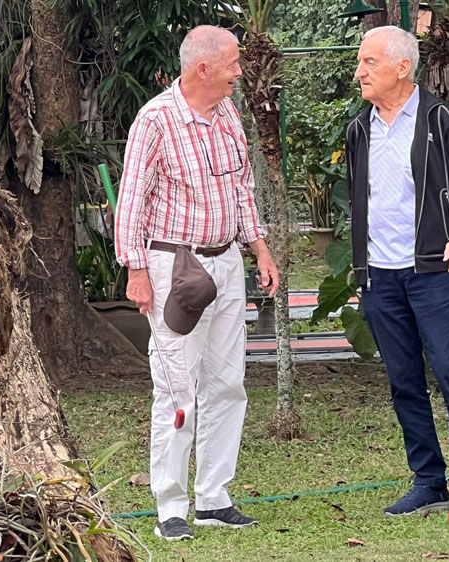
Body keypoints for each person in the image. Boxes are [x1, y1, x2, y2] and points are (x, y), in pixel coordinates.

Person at [114, 25, 279, 541]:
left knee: (228, 384)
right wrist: (136, 271)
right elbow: (131, 201)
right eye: (232, 64)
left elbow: (242, 188)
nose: (239, 73)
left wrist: (259, 247)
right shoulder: (155, 119)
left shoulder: (228, 113)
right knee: (177, 388)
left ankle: (213, 499)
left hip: (226, 261)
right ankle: (171, 507)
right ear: (203, 68)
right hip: (174, 267)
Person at [345, 26, 449, 520]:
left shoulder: (438, 119)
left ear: (402, 67)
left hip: (433, 274)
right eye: (360, 62)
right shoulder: (358, 129)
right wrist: (361, 268)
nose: (359, 71)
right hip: (379, 278)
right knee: (404, 383)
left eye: (369, 62)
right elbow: (360, 201)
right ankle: (429, 481)